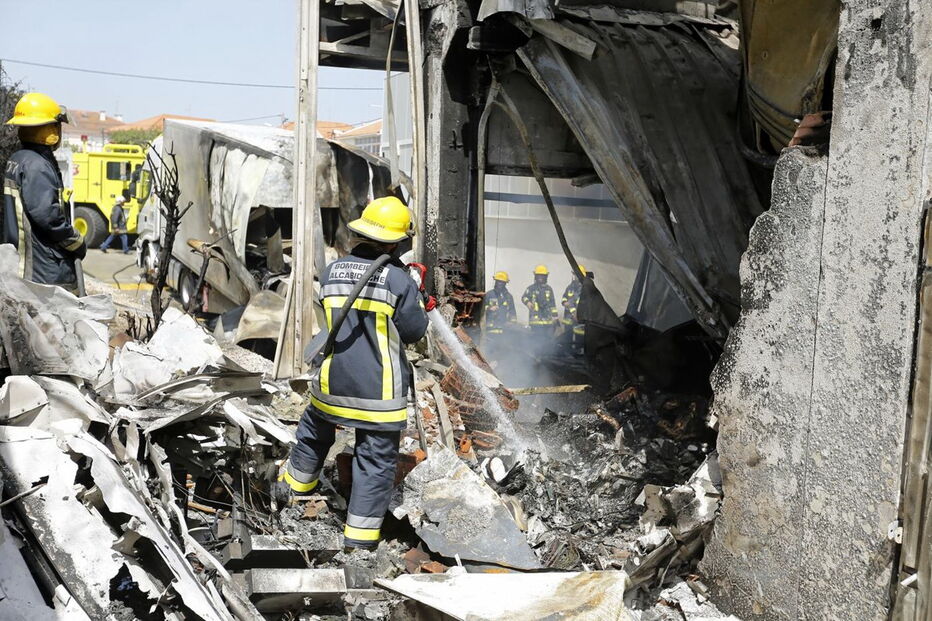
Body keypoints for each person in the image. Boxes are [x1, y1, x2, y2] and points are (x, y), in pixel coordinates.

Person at [276, 196, 432, 550]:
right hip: (378, 394)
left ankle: (290, 494)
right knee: (375, 462)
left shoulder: (333, 271)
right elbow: (413, 332)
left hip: (333, 384)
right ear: (396, 241)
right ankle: (359, 542)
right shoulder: (399, 281)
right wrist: (415, 294)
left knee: (313, 436)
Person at [2, 92, 85, 289]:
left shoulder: (19, 159)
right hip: (43, 272)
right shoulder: (37, 166)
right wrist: (76, 240)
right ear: (51, 129)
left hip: (19, 263)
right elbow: (48, 217)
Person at [521, 264, 558, 354]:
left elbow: (553, 304)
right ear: (535, 276)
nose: (540, 277)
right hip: (536, 321)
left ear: (546, 276)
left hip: (548, 321)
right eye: (539, 275)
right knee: (537, 341)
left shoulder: (549, 289)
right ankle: (536, 358)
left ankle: (545, 358)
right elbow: (524, 297)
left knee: (547, 341)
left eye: (543, 275)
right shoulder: (531, 288)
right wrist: (528, 302)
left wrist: (555, 317)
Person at [480, 271, 517, 362]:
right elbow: (481, 309)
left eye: (502, 282)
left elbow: (512, 311)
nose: (499, 283)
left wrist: (512, 322)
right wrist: (489, 308)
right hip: (490, 330)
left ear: (505, 283)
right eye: (498, 281)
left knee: (502, 353)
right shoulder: (489, 294)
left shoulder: (508, 297)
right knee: (489, 352)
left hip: (504, 331)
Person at [561, 264, 588, 356]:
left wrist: (576, 313)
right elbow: (564, 297)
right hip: (569, 319)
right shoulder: (570, 286)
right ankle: (567, 355)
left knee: (579, 339)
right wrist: (564, 302)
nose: (575, 276)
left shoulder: (585, 288)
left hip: (579, 320)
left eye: (577, 275)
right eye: (575, 274)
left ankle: (578, 356)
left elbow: (583, 304)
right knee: (567, 339)